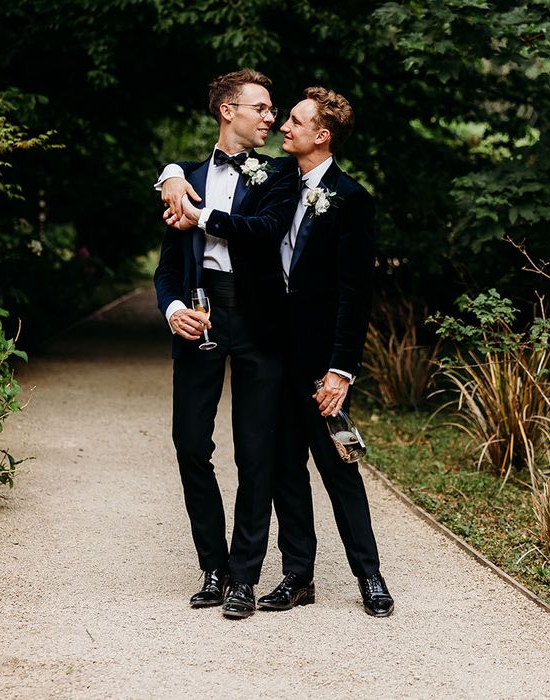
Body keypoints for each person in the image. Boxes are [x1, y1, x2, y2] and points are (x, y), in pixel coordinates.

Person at [168, 86, 393, 617]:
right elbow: (202, 172)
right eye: (281, 117)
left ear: (323, 135)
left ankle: (371, 576)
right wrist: (172, 173)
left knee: (338, 463)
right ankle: (298, 576)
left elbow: (354, 295)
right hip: (271, 347)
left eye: (295, 120)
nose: (283, 126)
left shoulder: (351, 198)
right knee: (286, 468)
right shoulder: (271, 178)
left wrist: (341, 371)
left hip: (318, 362)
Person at [153, 69, 298, 619]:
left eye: (272, 109)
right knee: (190, 442)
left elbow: (263, 229)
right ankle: (211, 567)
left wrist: (201, 215)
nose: (271, 118)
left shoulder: (280, 174)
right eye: (261, 107)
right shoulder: (185, 177)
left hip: (260, 322)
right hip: (201, 316)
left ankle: (243, 578)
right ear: (227, 111)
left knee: (255, 449)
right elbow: (167, 269)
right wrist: (172, 311)